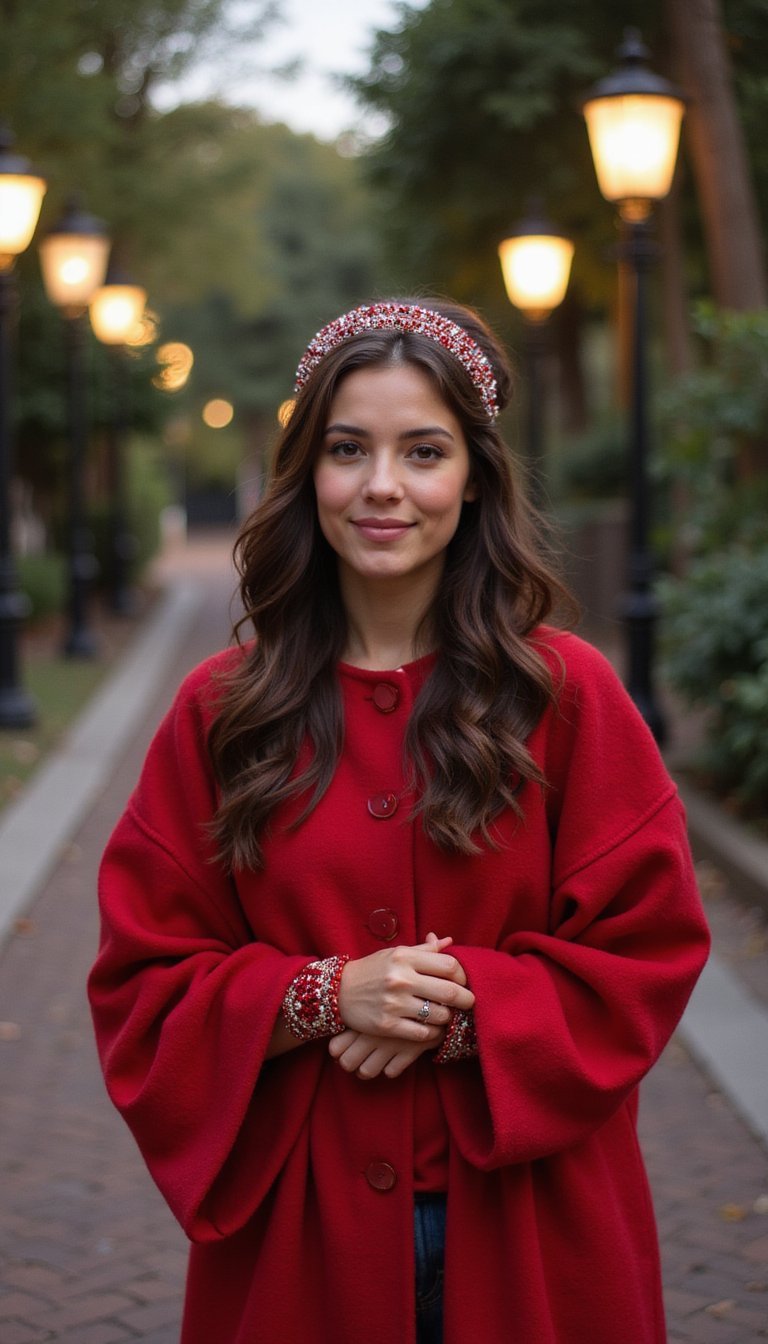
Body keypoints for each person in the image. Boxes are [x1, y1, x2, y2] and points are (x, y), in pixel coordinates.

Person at [88, 298, 710, 1344]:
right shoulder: (219, 710)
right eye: (347, 449)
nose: (383, 486)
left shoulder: (568, 695)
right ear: (308, 473)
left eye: (423, 451)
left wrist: (457, 1003)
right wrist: (321, 995)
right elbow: (141, 982)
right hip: (300, 1239)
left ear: (474, 477)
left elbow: (645, 951)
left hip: (534, 1233)